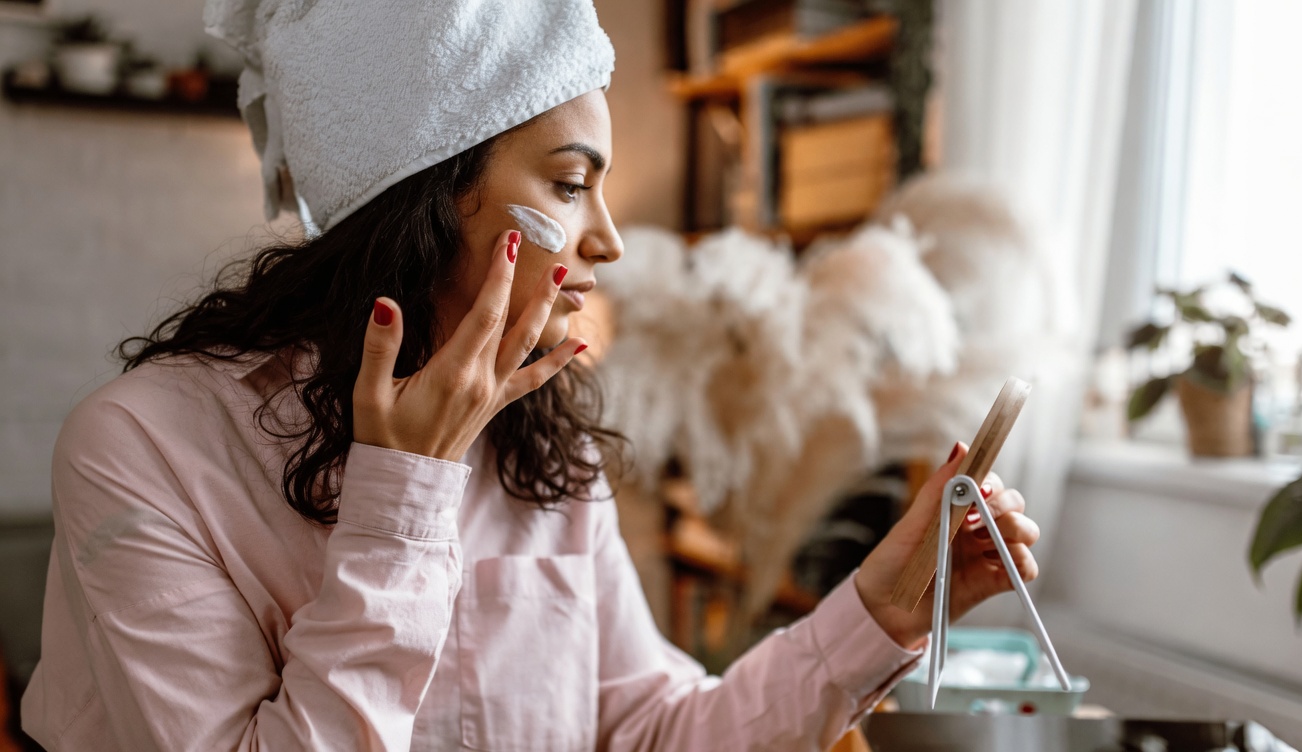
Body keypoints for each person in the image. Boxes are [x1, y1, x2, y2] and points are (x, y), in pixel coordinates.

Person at [21, 2, 1042, 750]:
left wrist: (882, 607)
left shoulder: (537, 438)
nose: (607, 239)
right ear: (422, 204)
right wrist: (401, 499)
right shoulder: (142, 448)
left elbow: (655, 728)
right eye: (567, 183)